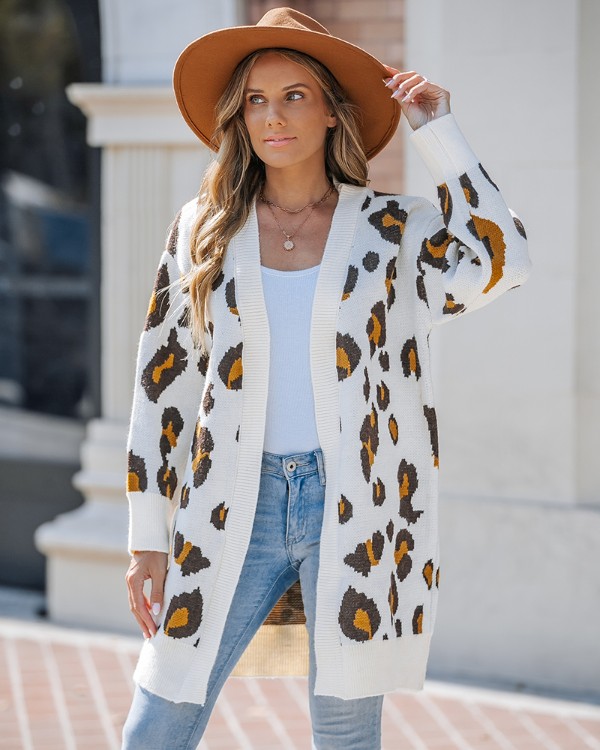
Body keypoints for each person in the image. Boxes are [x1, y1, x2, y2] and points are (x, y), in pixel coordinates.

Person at [121, 7, 531, 749]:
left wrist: (437, 131)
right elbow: (163, 385)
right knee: (159, 717)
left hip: (359, 507)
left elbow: (501, 263)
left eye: (294, 96)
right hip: (229, 505)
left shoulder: (392, 230)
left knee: (345, 734)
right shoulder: (204, 229)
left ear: (332, 111)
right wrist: (146, 536)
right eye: (255, 99)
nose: (272, 116)